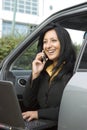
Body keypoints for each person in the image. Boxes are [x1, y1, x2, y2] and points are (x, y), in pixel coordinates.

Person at [22, 23, 76, 122]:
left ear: (64, 43)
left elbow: (72, 110)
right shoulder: (43, 71)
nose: (48, 46)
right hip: (42, 125)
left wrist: (38, 114)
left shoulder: (73, 72)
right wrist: (35, 74)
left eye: (54, 41)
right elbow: (28, 103)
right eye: (45, 42)